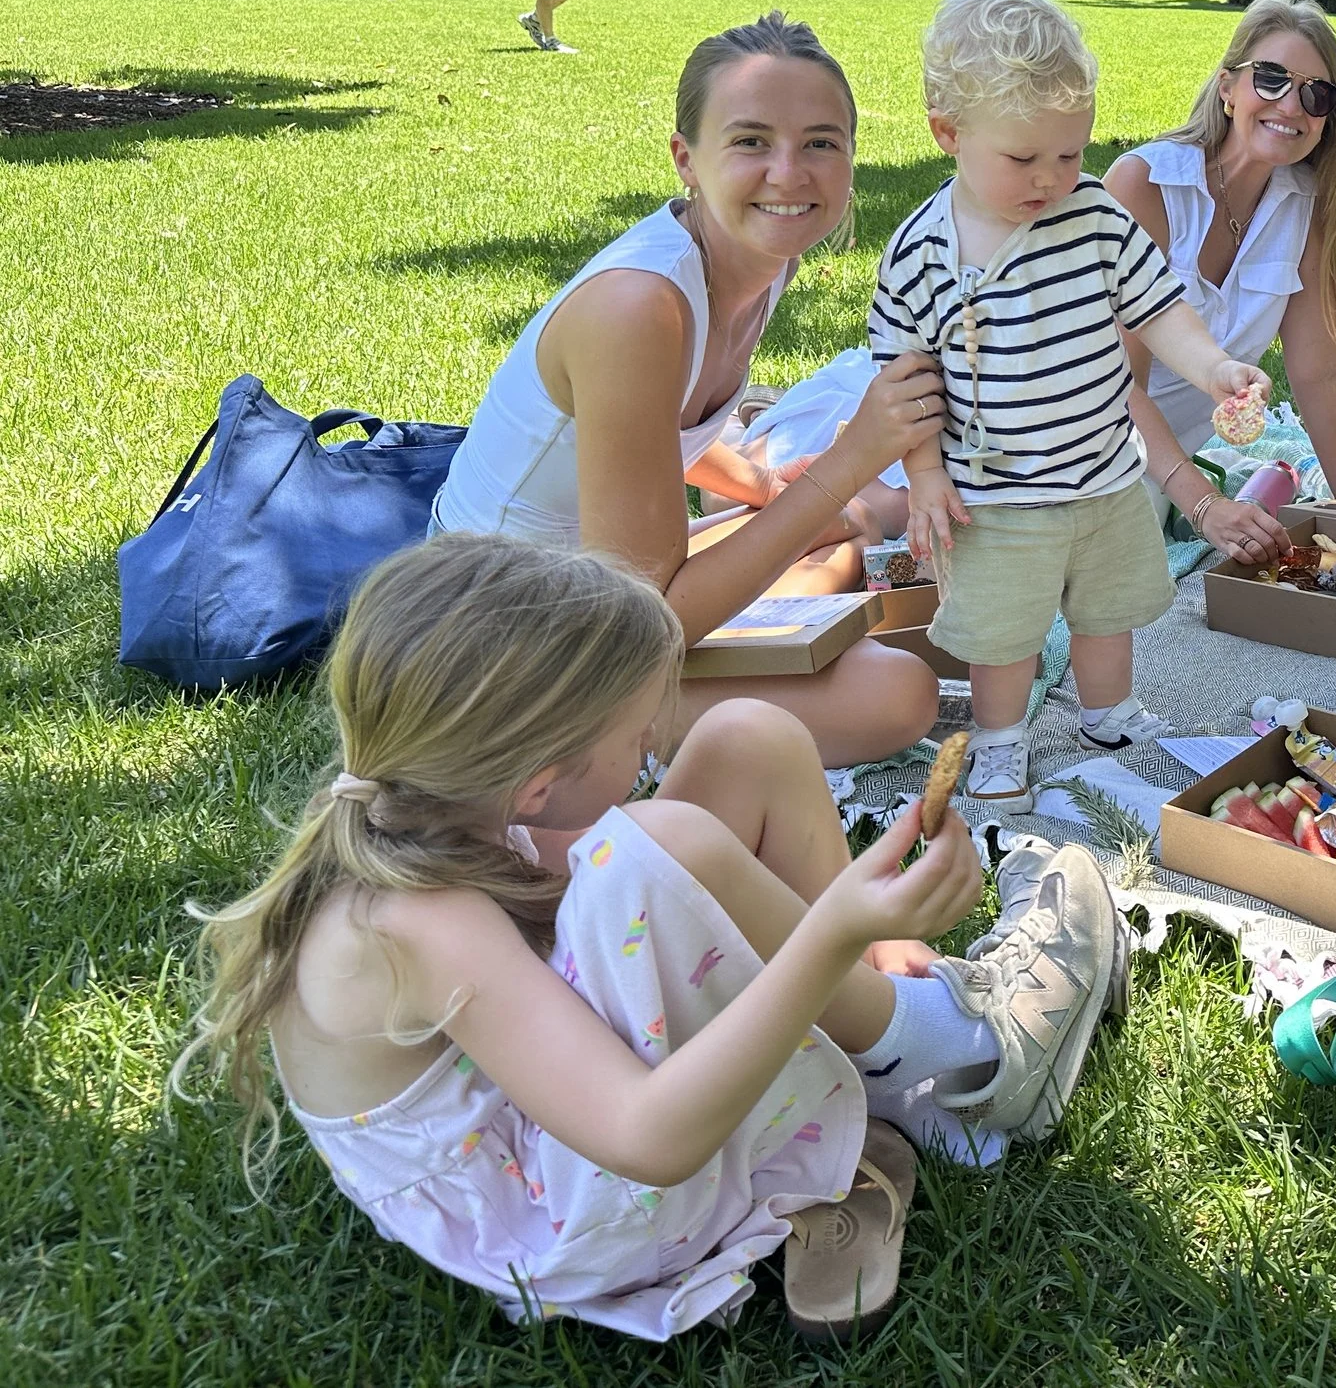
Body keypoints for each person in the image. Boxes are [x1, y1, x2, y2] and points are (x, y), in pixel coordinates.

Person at [175, 535, 1126, 1340]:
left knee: (744, 738)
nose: (651, 758)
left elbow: (622, 890)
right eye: (636, 741)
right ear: (539, 782)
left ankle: (891, 1035)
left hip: (558, 1117)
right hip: (581, 1214)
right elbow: (647, 1137)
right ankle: (969, 1055)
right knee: (651, 839)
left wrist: (862, 942)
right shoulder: (417, 923)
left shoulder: (439, 800)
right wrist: (830, 935)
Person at [432, 12, 944, 770]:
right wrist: (852, 455)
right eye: (751, 141)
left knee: (845, 525)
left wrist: (766, 486)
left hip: (593, 589)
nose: (789, 173)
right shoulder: (639, 308)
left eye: (820, 144)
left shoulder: (759, 256)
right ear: (687, 159)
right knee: (899, 693)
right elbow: (654, 619)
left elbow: (649, 438)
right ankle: (589, 747)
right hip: (505, 645)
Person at [872, 0, 1271, 815]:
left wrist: (1214, 370)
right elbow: (903, 382)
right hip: (995, 492)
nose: (1053, 177)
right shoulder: (921, 249)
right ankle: (998, 737)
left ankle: (1106, 712)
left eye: (1070, 152)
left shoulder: (1094, 214)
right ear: (948, 132)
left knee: (1108, 609)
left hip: (1103, 474)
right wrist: (922, 475)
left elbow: (1158, 309)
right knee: (1003, 632)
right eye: (1025, 159)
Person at [1103, 0, 1336, 569]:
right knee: (1119, 550)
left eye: (1315, 94)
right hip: (1086, 439)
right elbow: (1113, 387)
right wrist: (1204, 505)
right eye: (1270, 78)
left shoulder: (1303, 205)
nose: (1291, 105)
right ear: (1228, 87)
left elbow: (1320, 373)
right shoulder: (1144, 186)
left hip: (1169, 461)